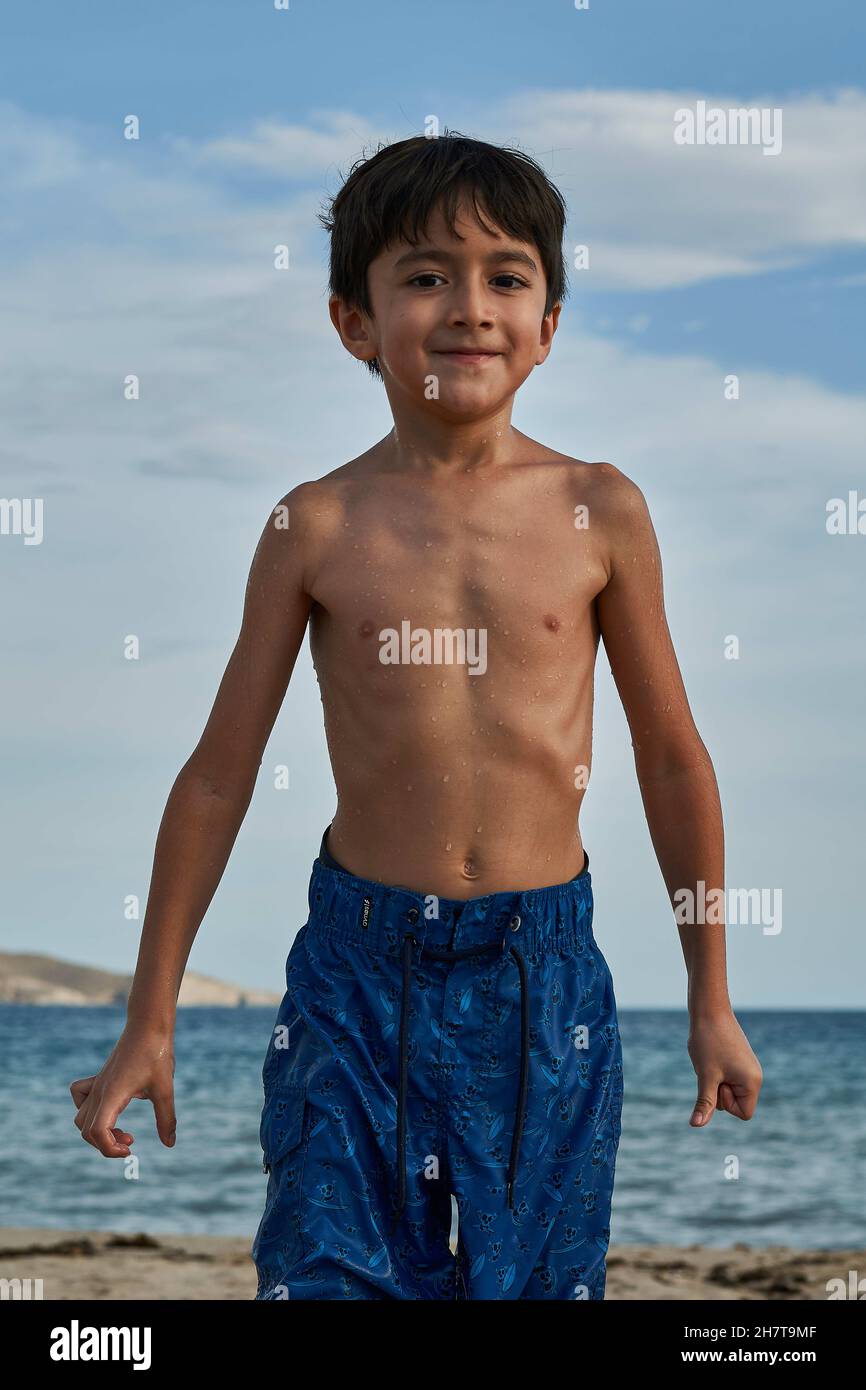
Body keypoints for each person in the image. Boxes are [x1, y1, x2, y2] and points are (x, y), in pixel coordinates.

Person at [70, 131, 763, 1300]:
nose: (468, 306)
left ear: (549, 323)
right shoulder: (317, 525)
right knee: (327, 1273)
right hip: (355, 969)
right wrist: (152, 1013)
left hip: (540, 976)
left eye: (505, 276)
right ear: (352, 320)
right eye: (425, 274)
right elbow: (215, 778)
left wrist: (711, 996)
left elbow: (669, 756)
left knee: (536, 1286)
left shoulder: (599, 509)